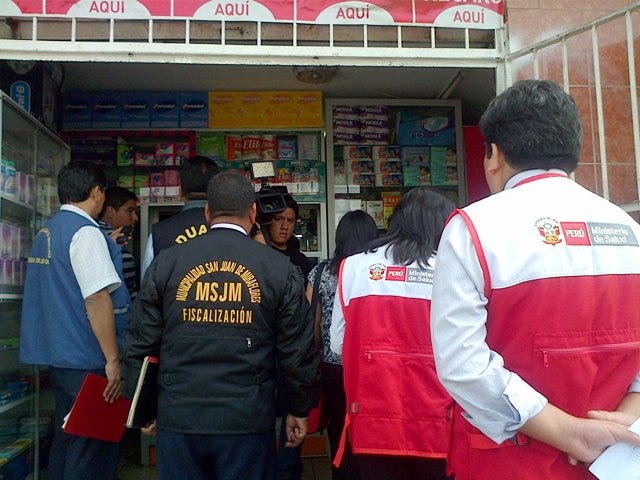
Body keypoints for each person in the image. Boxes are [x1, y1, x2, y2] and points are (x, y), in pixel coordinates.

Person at [430, 79, 640, 480]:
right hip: (614, 460)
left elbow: (462, 366)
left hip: (509, 464)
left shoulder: (473, 229)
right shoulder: (630, 230)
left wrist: (572, 434)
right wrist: (626, 416)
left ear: (494, 155)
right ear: (573, 151)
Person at [122, 171, 321, 480]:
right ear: (253, 212)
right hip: (246, 419)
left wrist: (144, 406)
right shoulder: (278, 268)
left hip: (180, 415)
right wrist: (299, 408)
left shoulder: (168, 263)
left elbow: (140, 341)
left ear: (207, 213)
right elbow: (297, 349)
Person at [330, 187, 455, 480]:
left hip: (371, 421)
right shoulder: (452, 269)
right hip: (438, 423)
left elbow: (337, 345)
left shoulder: (354, 267)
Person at [20, 161, 126, 480]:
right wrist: (112, 360)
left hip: (60, 357)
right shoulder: (85, 232)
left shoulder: (49, 230)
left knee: (66, 440)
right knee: (91, 447)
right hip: (86, 358)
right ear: (96, 192)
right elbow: (97, 298)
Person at [305, 210, 377, 480]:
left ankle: (340, 473)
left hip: (333, 367)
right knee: (369, 426)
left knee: (338, 426)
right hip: (370, 365)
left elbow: (311, 324)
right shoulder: (376, 273)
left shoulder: (320, 272)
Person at [140, 155, 219, 278]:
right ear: (217, 190)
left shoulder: (160, 233)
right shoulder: (232, 230)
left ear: (180, 190)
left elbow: (147, 282)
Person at [99, 185, 139, 300]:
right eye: (130, 211)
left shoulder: (98, 236)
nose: (135, 218)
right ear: (110, 212)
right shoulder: (103, 240)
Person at [265, 194, 311, 279]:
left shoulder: (301, 260)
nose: (285, 226)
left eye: (290, 220)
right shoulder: (257, 252)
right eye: (278, 219)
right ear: (268, 221)